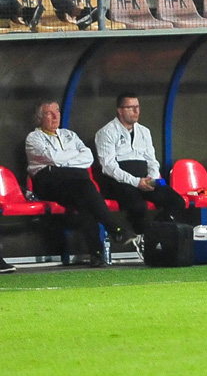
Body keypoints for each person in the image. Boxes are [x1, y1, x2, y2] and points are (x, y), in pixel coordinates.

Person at [26, 100, 131, 267]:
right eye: (49, 113)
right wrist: (73, 158)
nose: (55, 116)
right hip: (48, 181)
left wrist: (64, 161)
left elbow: (88, 157)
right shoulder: (34, 138)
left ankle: (97, 254)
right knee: (85, 188)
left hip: (74, 180)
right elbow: (53, 159)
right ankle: (115, 229)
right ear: (40, 118)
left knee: (84, 201)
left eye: (57, 111)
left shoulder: (70, 135)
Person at [94, 92, 185, 258]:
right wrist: (136, 182)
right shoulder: (106, 132)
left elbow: (152, 160)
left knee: (176, 200)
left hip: (146, 178)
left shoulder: (144, 131)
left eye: (137, 107)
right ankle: (144, 240)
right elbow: (108, 166)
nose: (136, 111)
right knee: (137, 205)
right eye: (131, 108)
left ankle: (154, 232)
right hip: (119, 180)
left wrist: (152, 178)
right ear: (120, 110)